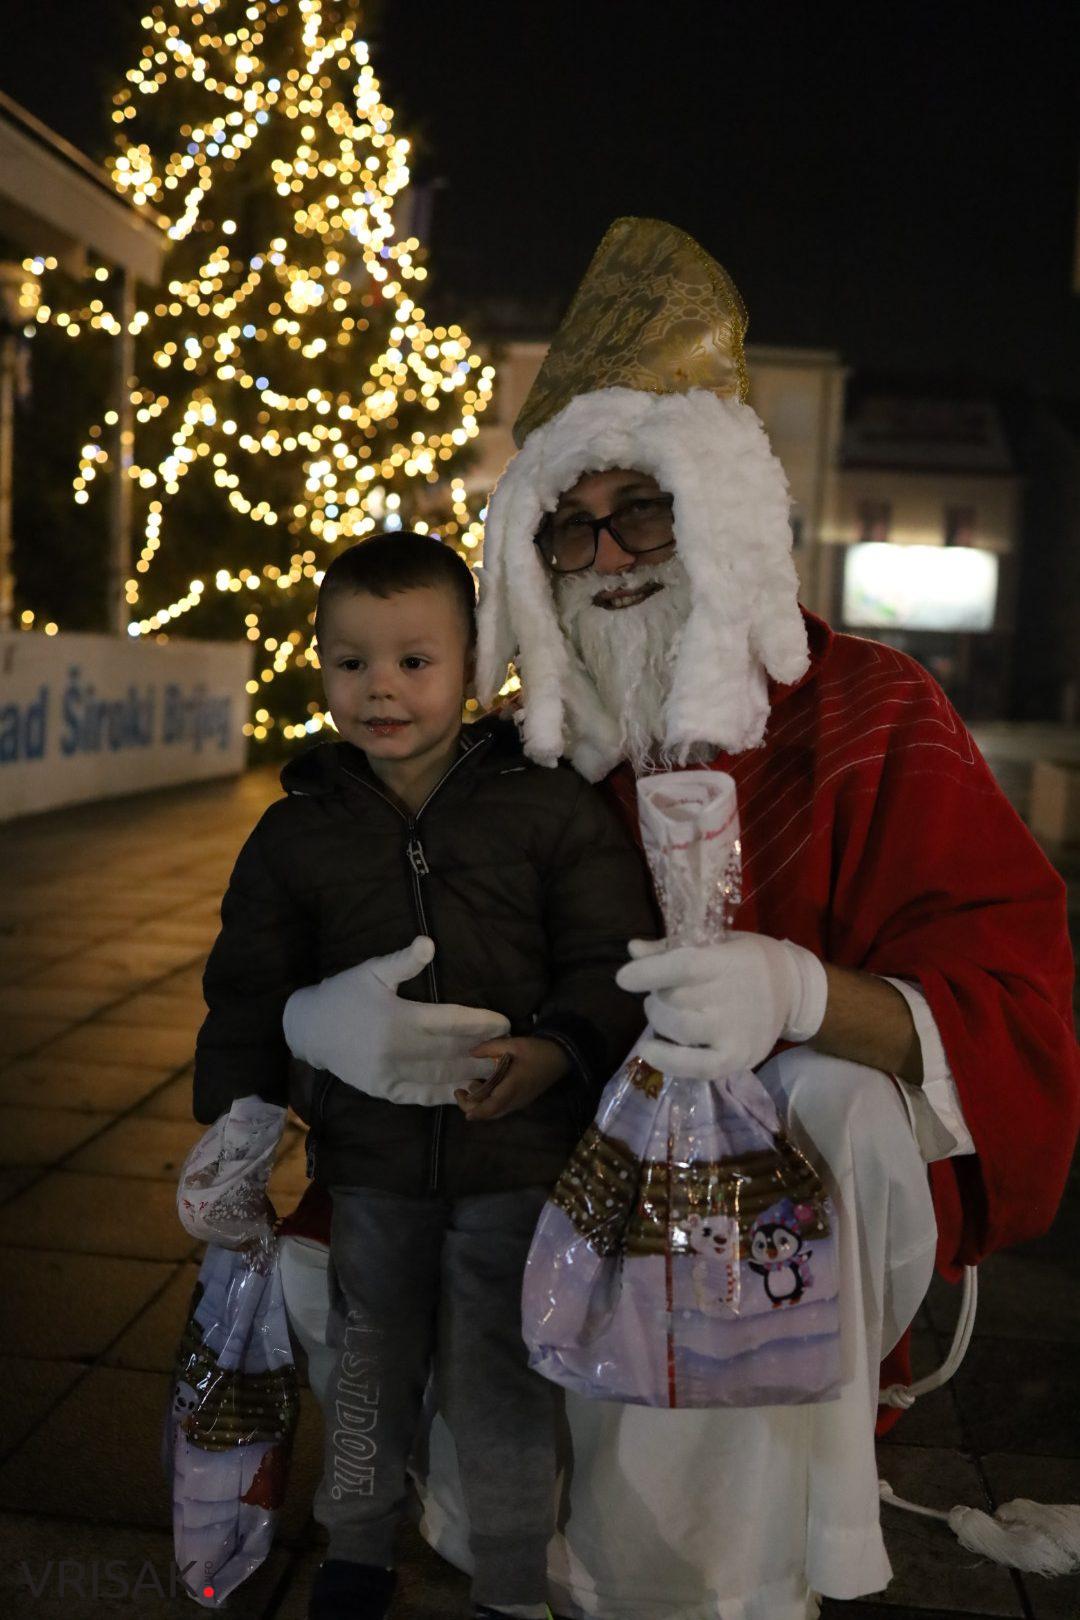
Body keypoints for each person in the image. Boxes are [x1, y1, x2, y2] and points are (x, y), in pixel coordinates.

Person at [282, 219, 1080, 1619]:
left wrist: (803, 995)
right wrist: (326, 1021)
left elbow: (1016, 1001)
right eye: (570, 526)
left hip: (783, 1215)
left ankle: (733, 1574)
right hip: (537, 1177)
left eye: (643, 506)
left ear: (716, 511)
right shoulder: (491, 767)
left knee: (835, 1097)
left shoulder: (875, 714)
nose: (612, 556)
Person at [188, 532, 656, 1620]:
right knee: (367, 1360)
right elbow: (249, 990)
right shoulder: (297, 833)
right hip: (373, 1164)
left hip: (517, 1160)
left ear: (479, 667)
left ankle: (507, 1576)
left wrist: (559, 1054)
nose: (380, 688)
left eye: (413, 659)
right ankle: (354, 1544)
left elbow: (609, 960)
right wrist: (236, 1128)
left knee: (500, 1374)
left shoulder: (547, 811)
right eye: (350, 662)